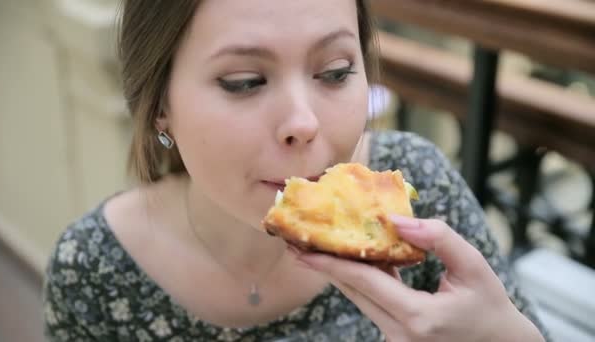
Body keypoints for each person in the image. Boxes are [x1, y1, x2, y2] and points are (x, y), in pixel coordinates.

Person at [42, 0, 549, 341]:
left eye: (335, 72)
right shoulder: (91, 269)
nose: (303, 123)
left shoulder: (420, 193)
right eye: (244, 81)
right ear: (160, 106)